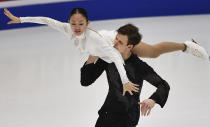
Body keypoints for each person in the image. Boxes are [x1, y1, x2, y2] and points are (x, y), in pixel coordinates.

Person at [3, 8, 209, 94]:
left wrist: (126, 80)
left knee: (153, 52)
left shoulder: (95, 40)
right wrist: (20, 19)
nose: (76, 26)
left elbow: (115, 58)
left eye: (80, 23)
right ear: (69, 23)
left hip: (116, 44)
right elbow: (46, 20)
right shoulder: (67, 29)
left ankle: (186, 45)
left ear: (87, 23)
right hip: (104, 51)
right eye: (73, 23)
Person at [80, 24, 170, 127]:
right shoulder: (108, 59)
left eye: (120, 42)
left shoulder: (138, 66)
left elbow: (163, 85)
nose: (114, 44)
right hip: (107, 113)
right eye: (116, 39)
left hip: (128, 117)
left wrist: (153, 99)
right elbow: (85, 81)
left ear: (129, 47)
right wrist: (92, 57)